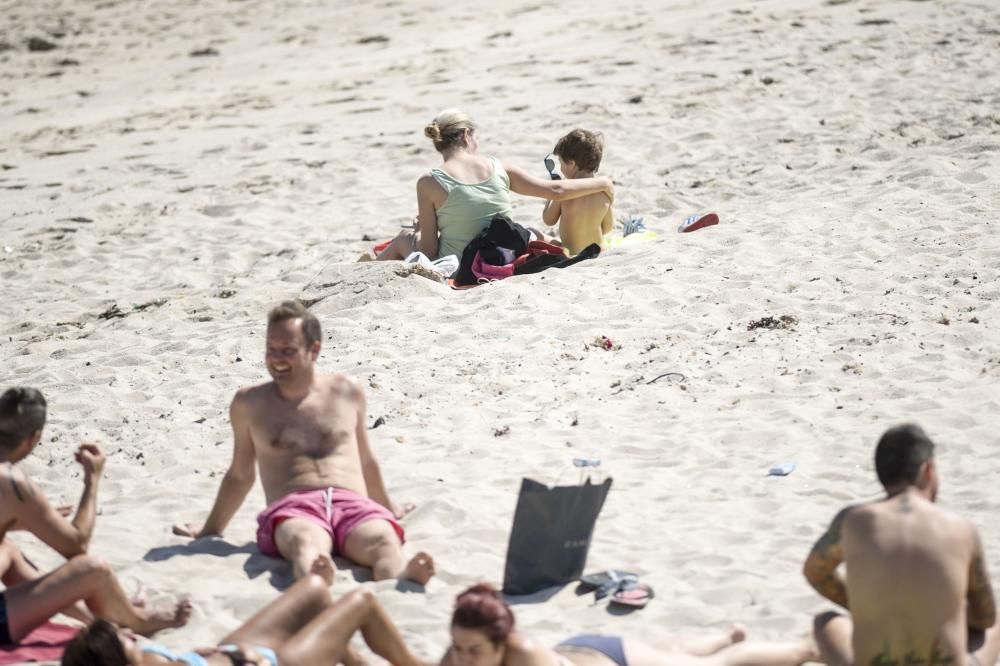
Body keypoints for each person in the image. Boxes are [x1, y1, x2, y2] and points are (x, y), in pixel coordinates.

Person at [173, 301, 434, 587]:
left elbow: (366, 461)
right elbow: (240, 475)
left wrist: (388, 508)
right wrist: (210, 531)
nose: (276, 359)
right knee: (304, 543)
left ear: (314, 350)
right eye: (270, 349)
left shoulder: (347, 392)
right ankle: (316, 575)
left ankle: (400, 577)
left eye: (287, 350)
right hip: (295, 507)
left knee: (384, 541)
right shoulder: (250, 404)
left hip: (352, 503)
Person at [0, 387, 190, 646]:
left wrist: (19, 520)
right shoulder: (11, 482)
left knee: (7, 549)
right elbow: (76, 545)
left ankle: (94, 619)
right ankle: (138, 621)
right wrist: (92, 480)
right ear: (34, 438)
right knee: (93, 570)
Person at [804, 424, 1000, 666]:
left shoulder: (851, 521)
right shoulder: (961, 530)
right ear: (928, 470)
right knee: (995, 628)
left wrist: (866, 607)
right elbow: (985, 617)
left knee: (826, 622)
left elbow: (815, 571)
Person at [374, 109, 614, 261]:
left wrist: (419, 231)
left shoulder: (428, 182)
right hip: (507, 253)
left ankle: (372, 265)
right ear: (467, 135)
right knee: (533, 232)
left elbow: (428, 250)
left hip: (464, 263)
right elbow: (557, 191)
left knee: (405, 237)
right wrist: (602, 182)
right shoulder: (499, 166)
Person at [61, 567, 427, 666]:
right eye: (122, 638)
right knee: (362, 600)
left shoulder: (144, 659)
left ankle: (353, 661)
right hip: (268, 663)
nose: (129, 634)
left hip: (234, 652)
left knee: (315, 589)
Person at [442, 583, 816, 666]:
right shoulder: (456, 656)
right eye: (459, 648)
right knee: (669, 656)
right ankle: (724, 635)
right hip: (577, 650)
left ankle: (807, 647)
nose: (464, 658)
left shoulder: (526, 658)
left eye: (475, 651)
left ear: (502, 642)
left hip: (613, 660)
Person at [541, 129, 614, 256]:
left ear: (571, 163)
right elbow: (608, 227)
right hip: (598, 251)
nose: (560, 167)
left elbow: (548, 220)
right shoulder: (604, 192)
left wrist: (550, 197)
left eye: (560, 162)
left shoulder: (566, 191)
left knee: (534, 234)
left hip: (571, 252)